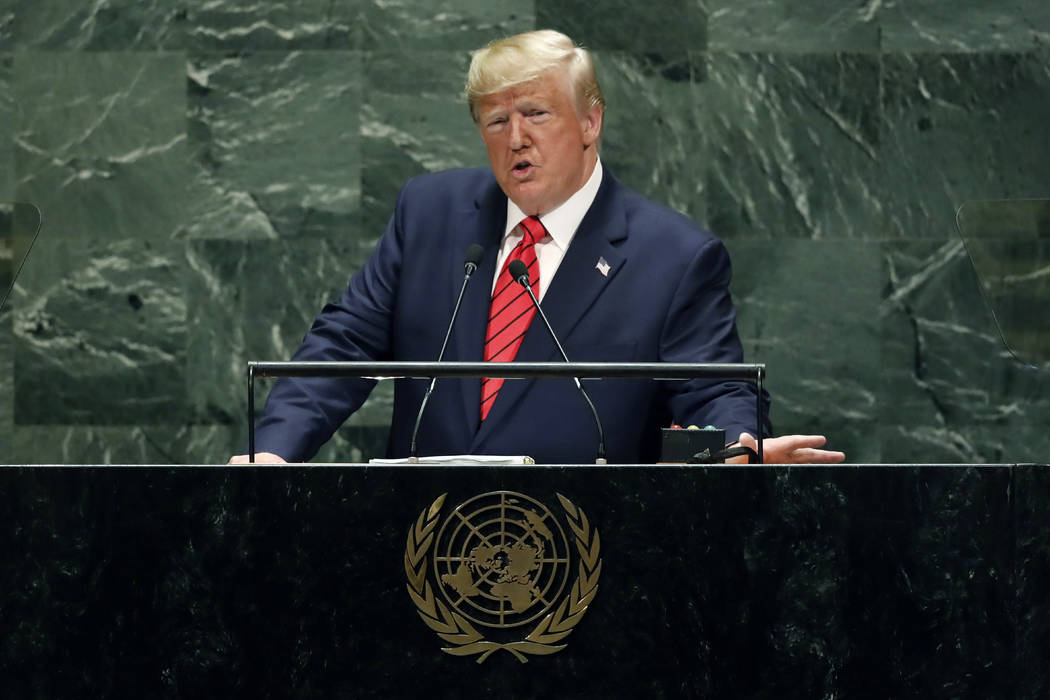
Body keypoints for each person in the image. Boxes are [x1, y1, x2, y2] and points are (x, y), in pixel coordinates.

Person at [230, 30, 844, 466]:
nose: (516, 138)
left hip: (587, 561)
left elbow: (716, 392)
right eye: (496, 122)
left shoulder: (674, 256)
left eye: (536, 113)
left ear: (590, 121)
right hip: (423, 553)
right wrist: (274, 450)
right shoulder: (430, 214)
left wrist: (736, 448)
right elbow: (344, 346)